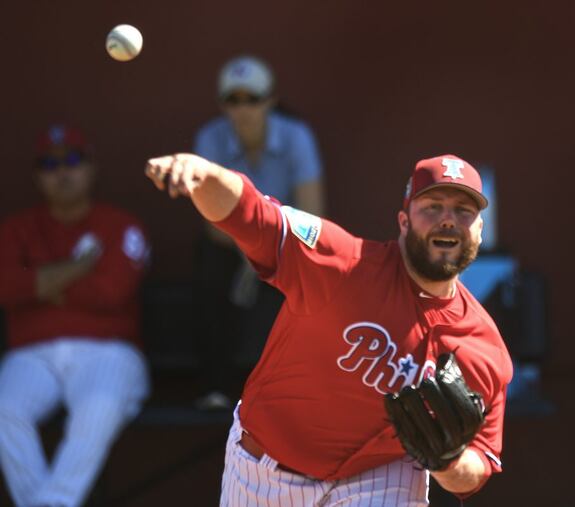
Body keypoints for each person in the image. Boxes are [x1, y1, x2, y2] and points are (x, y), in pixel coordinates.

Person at [145, 152, 512, 505]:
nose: (447, 219)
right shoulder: (345, 265)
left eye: (463, 211)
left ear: (479, 231)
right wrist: (206, 174)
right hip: (268, 466)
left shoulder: (484, 347)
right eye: (432, 207)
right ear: (403, 222)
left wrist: (449, 461)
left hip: (380, 475)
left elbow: (480, 465)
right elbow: (253, 215)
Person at [0, 125, 151, 507]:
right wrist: (81, 267)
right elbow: (5, 288)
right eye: (50, 163)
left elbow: (112, 292)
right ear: (37, 174)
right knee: (4, 408)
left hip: (108, 351)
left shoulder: (120, 224)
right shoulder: (16, 228)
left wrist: (41, 283)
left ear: (90, 168)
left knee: (97, 408)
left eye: (72, 160)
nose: (62, 172)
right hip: (33, 354)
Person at [192, 54, 325, 410]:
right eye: (233, 100)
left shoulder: (297, 138)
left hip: (285, 241)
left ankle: (284, 392)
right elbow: (210, 220)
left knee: (297, 281)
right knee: (208, 265)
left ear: (271, 101)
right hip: (230, 243)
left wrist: (268, 248)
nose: (243, 109)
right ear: (222, 106)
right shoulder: (209, 139)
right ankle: (215, 388)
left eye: (252, 99)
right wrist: (249, 248)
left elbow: (312, 215)